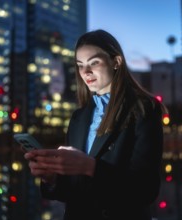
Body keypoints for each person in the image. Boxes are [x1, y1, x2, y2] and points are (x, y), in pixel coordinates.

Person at [24, 29, 164, 220]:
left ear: (116, 62)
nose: (85, 72)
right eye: (80, 65)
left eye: (94, 63)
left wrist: (91, 167)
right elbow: (73, 191)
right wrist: (53, 178)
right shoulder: (79, 117)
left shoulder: (143, 109)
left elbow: (145, 190)